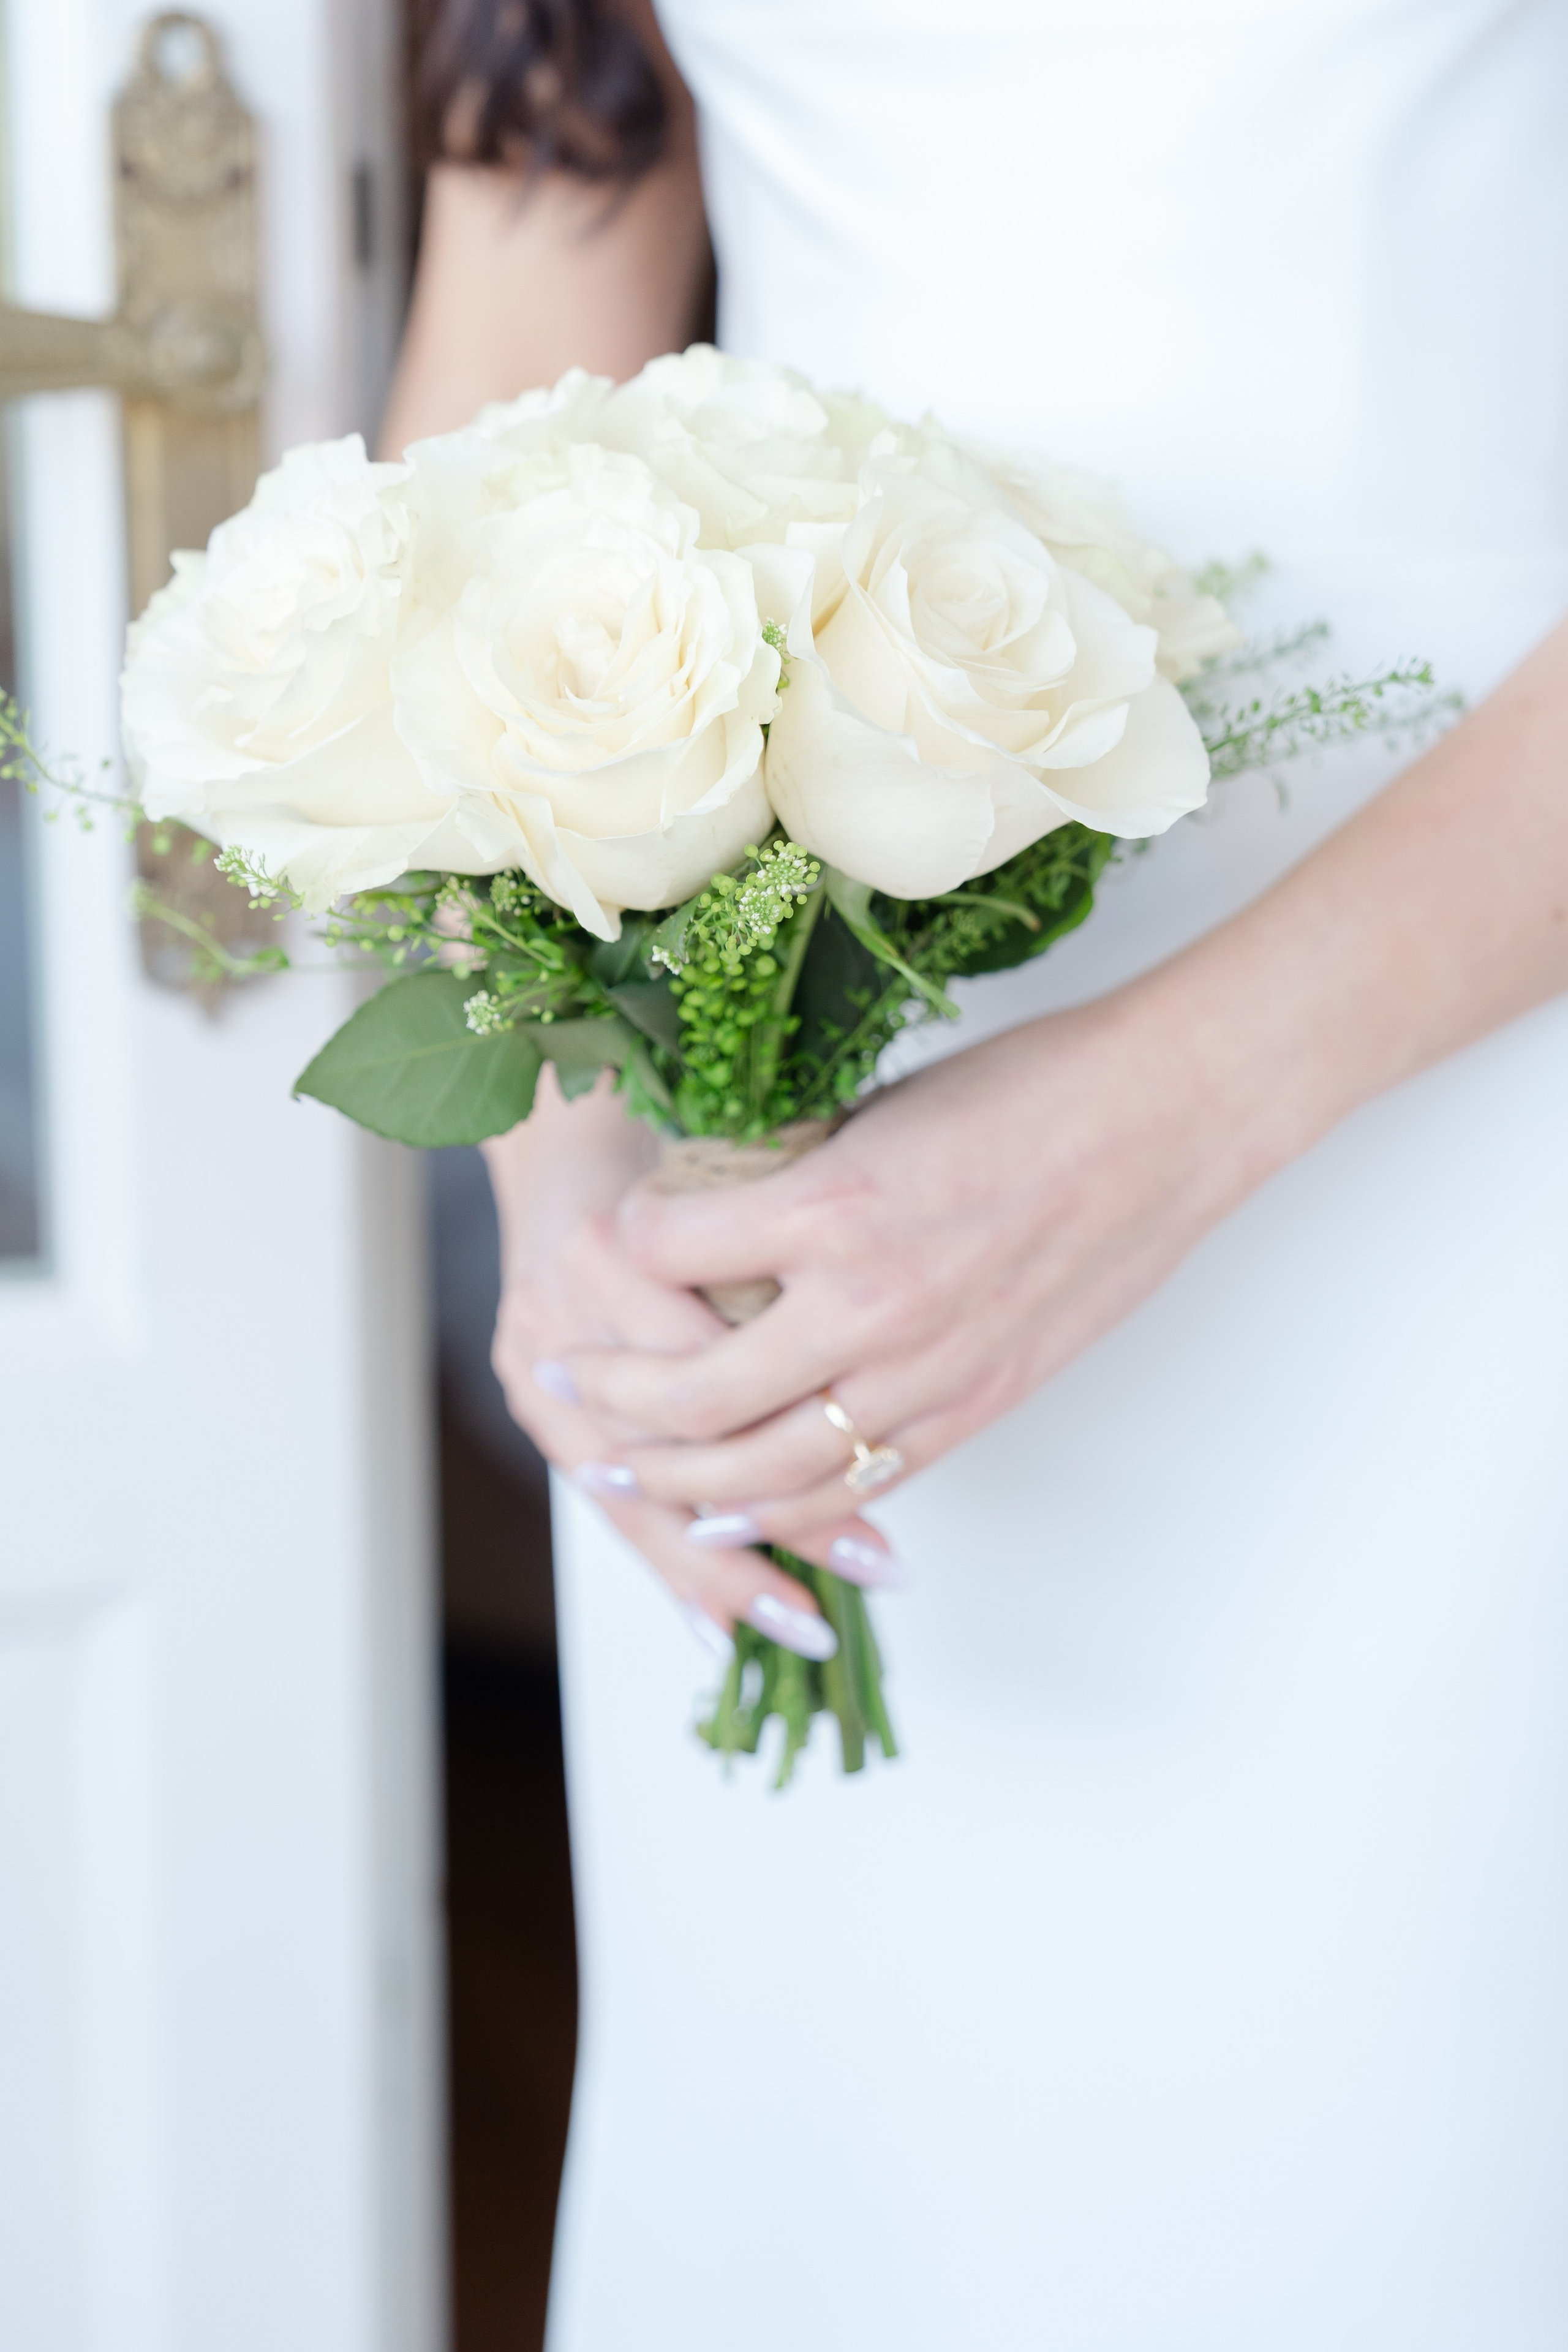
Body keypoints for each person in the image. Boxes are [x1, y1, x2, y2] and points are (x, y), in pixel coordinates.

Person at [385, 4, 1568, 2344]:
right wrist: (568, 1174)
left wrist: (1167, 1118)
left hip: (1482, 1083)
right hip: (794, 1157)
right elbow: (521, 359)